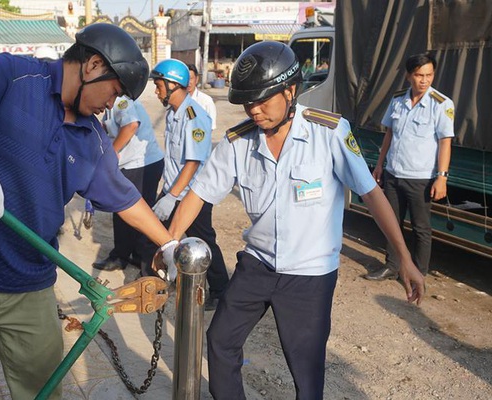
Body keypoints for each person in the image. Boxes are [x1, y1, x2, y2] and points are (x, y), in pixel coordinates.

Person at [0, 23, 177, 399]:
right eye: (113, 92)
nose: (110, 105)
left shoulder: (91, 137)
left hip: (30, 286)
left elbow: (125, 198)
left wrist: (170, 243)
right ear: (93, 64)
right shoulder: (11, 76)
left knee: (42, 390)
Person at [168, 41, 425, 400]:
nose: (254, 111)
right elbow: (198, 193)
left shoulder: (329, 132)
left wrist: (405, 260)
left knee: (306, 370)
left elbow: (372, 194)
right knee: (220, 340)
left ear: (290, 91)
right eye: (247, 102)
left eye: (262, 100)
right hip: (257, 264)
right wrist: (169, 242)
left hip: (310, 275)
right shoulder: (238, 141)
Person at [146, 58, 229, 310]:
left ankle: (221, 289)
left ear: (173, 84)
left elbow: (192, 163)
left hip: (192, 193)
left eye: (159, 85)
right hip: (173, 187)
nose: (156, 90)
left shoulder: (194, 117)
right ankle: (165, 280)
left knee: (203, 239)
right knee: (160, 235)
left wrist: (171, 196)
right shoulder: (173, 114)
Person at [365, 53, 454, 281]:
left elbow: (445, 142)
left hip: (420, 178)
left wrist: (441, 177)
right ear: (408, 76)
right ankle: (392, 266)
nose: (424, 80)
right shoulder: (398, 100)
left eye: (429, 75)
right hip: (394, 173)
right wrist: (380, 165)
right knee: (391, 223)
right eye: (419, 75)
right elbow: (389, 134)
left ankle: (418, 273)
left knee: (421, 228)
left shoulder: (441, 104)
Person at [93, 96, 165, 271]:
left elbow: (131, 125)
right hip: (132, 163)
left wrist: (112, 151)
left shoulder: (122, 101)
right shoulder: (111, 104)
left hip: (142, 164)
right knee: (125, 209)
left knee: (130, 208)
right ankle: (130, 254)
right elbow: (107, 127)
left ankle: (128, 256)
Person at [186, 63, 217, 130]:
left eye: (191, 78)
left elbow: (211, 126)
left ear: (196, 79)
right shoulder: (178, 101)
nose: (188, 82)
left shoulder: (206, 101)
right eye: (186, 79)